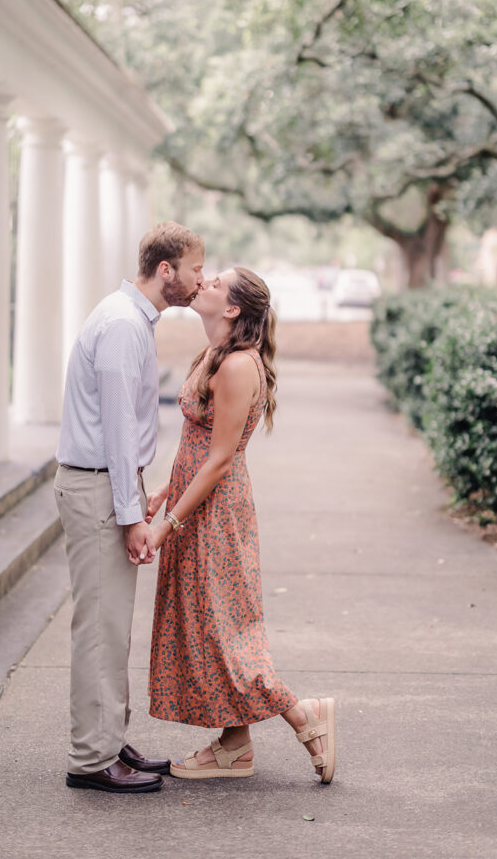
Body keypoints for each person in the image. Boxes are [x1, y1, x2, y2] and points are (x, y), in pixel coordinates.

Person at [144, 267, 336, 784]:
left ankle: (303, 715)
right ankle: (234, 745)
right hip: (192, 500)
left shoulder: (236, 367)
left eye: (217, 282)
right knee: (207, 627)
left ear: (231, 309)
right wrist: (166, 488)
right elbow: (195, 446)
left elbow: (221, 459)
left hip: (214, 514)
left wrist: (168, 525)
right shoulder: (212, 355)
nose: (203, 281)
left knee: (225, 631)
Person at [54, 221, 205, 794]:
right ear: (166, 270)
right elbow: (118, 431)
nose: (200, 279)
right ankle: (90, 760)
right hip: (98, 486)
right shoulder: (121, 326)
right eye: (195, 268)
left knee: (111, 625)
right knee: (100, 627)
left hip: (106, 483)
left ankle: (109, 739)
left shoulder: (130, 319)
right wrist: (132, 516)